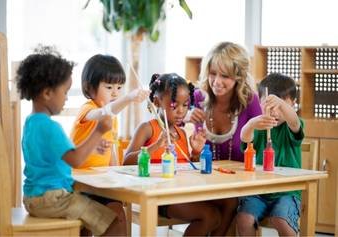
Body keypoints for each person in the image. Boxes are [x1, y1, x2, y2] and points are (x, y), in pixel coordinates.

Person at [16, 46, 126, 236]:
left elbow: (60, 156)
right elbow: (75, 160)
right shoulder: (50, 127)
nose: (67, 99)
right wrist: (99, 131)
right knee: (113, 222)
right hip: (52, 198)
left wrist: (93, 146)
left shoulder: (31, 122)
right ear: (47, 93)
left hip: (34, 197)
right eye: (65, 92)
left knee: (90, 214)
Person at [123, 73, 220, 236]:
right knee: (209, 216)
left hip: (179, 194)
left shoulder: (181, 133)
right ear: (156, 102)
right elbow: (126, 162)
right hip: (156, 197)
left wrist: (196, 152)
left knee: (218, 212)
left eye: (185, 105)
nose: (181, 112)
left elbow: (186, 169)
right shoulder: (148, 128)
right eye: (174, 106)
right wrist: (156, 146)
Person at [188, 41, 262, 235]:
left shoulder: (250, 102)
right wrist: (186, 118)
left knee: (230, 201)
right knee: (215, 208)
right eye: (213, 73)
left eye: (225, 76)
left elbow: (260, 149)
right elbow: (168, 126)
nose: (217, 81)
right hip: (202, 182)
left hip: (239, 186)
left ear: (239, 77)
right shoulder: (197, 98)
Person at [237, 73, 304, 237]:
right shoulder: (259, 124)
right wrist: (251, 124)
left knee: (281, 220)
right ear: (259, 102)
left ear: (292, 104)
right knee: (243, 219)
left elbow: (294, 122)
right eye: (268, 104)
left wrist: (280, 103)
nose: (274, 111)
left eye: (281, 106)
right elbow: (245, 139)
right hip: (258, 192)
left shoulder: (291, 125)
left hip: (287, 192)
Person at [70, 54, 149, 168]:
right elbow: (103, 113)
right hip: (78, 176)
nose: (115, 93)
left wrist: (117, 173)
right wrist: (128, 98)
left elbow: (111, 152)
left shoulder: (113, 117)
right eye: (109, 87)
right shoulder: (87, 109)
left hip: (100, 176)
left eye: (119, 88)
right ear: (89, 87)